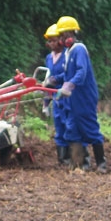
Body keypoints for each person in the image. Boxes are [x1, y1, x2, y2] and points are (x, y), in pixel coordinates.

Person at [53, 15, 107, 174]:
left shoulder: (79, 49)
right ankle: (80, 164)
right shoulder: (68, 52)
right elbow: (68, 74)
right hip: (72, 98)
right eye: (60, 36)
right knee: (72, 130)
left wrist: (68, 85)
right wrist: (54, 80)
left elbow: (81, 72)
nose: (62, 39)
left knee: (90, 129)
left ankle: (101, 163)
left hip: (84, 97)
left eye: (63, 35)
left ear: (71, 34)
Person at [42, 24, 71, 166]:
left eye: (54, 40)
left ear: (61, 40)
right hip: (55, 97)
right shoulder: (48, 58)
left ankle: (72, 158)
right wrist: (45, 103)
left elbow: (68, 74)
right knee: (59, 127)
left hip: (67, 95)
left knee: (69, 126)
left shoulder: (67, 54)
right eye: (50, 41)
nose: (52, 44)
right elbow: (48, 78)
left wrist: (55, 79)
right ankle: (62, 160)